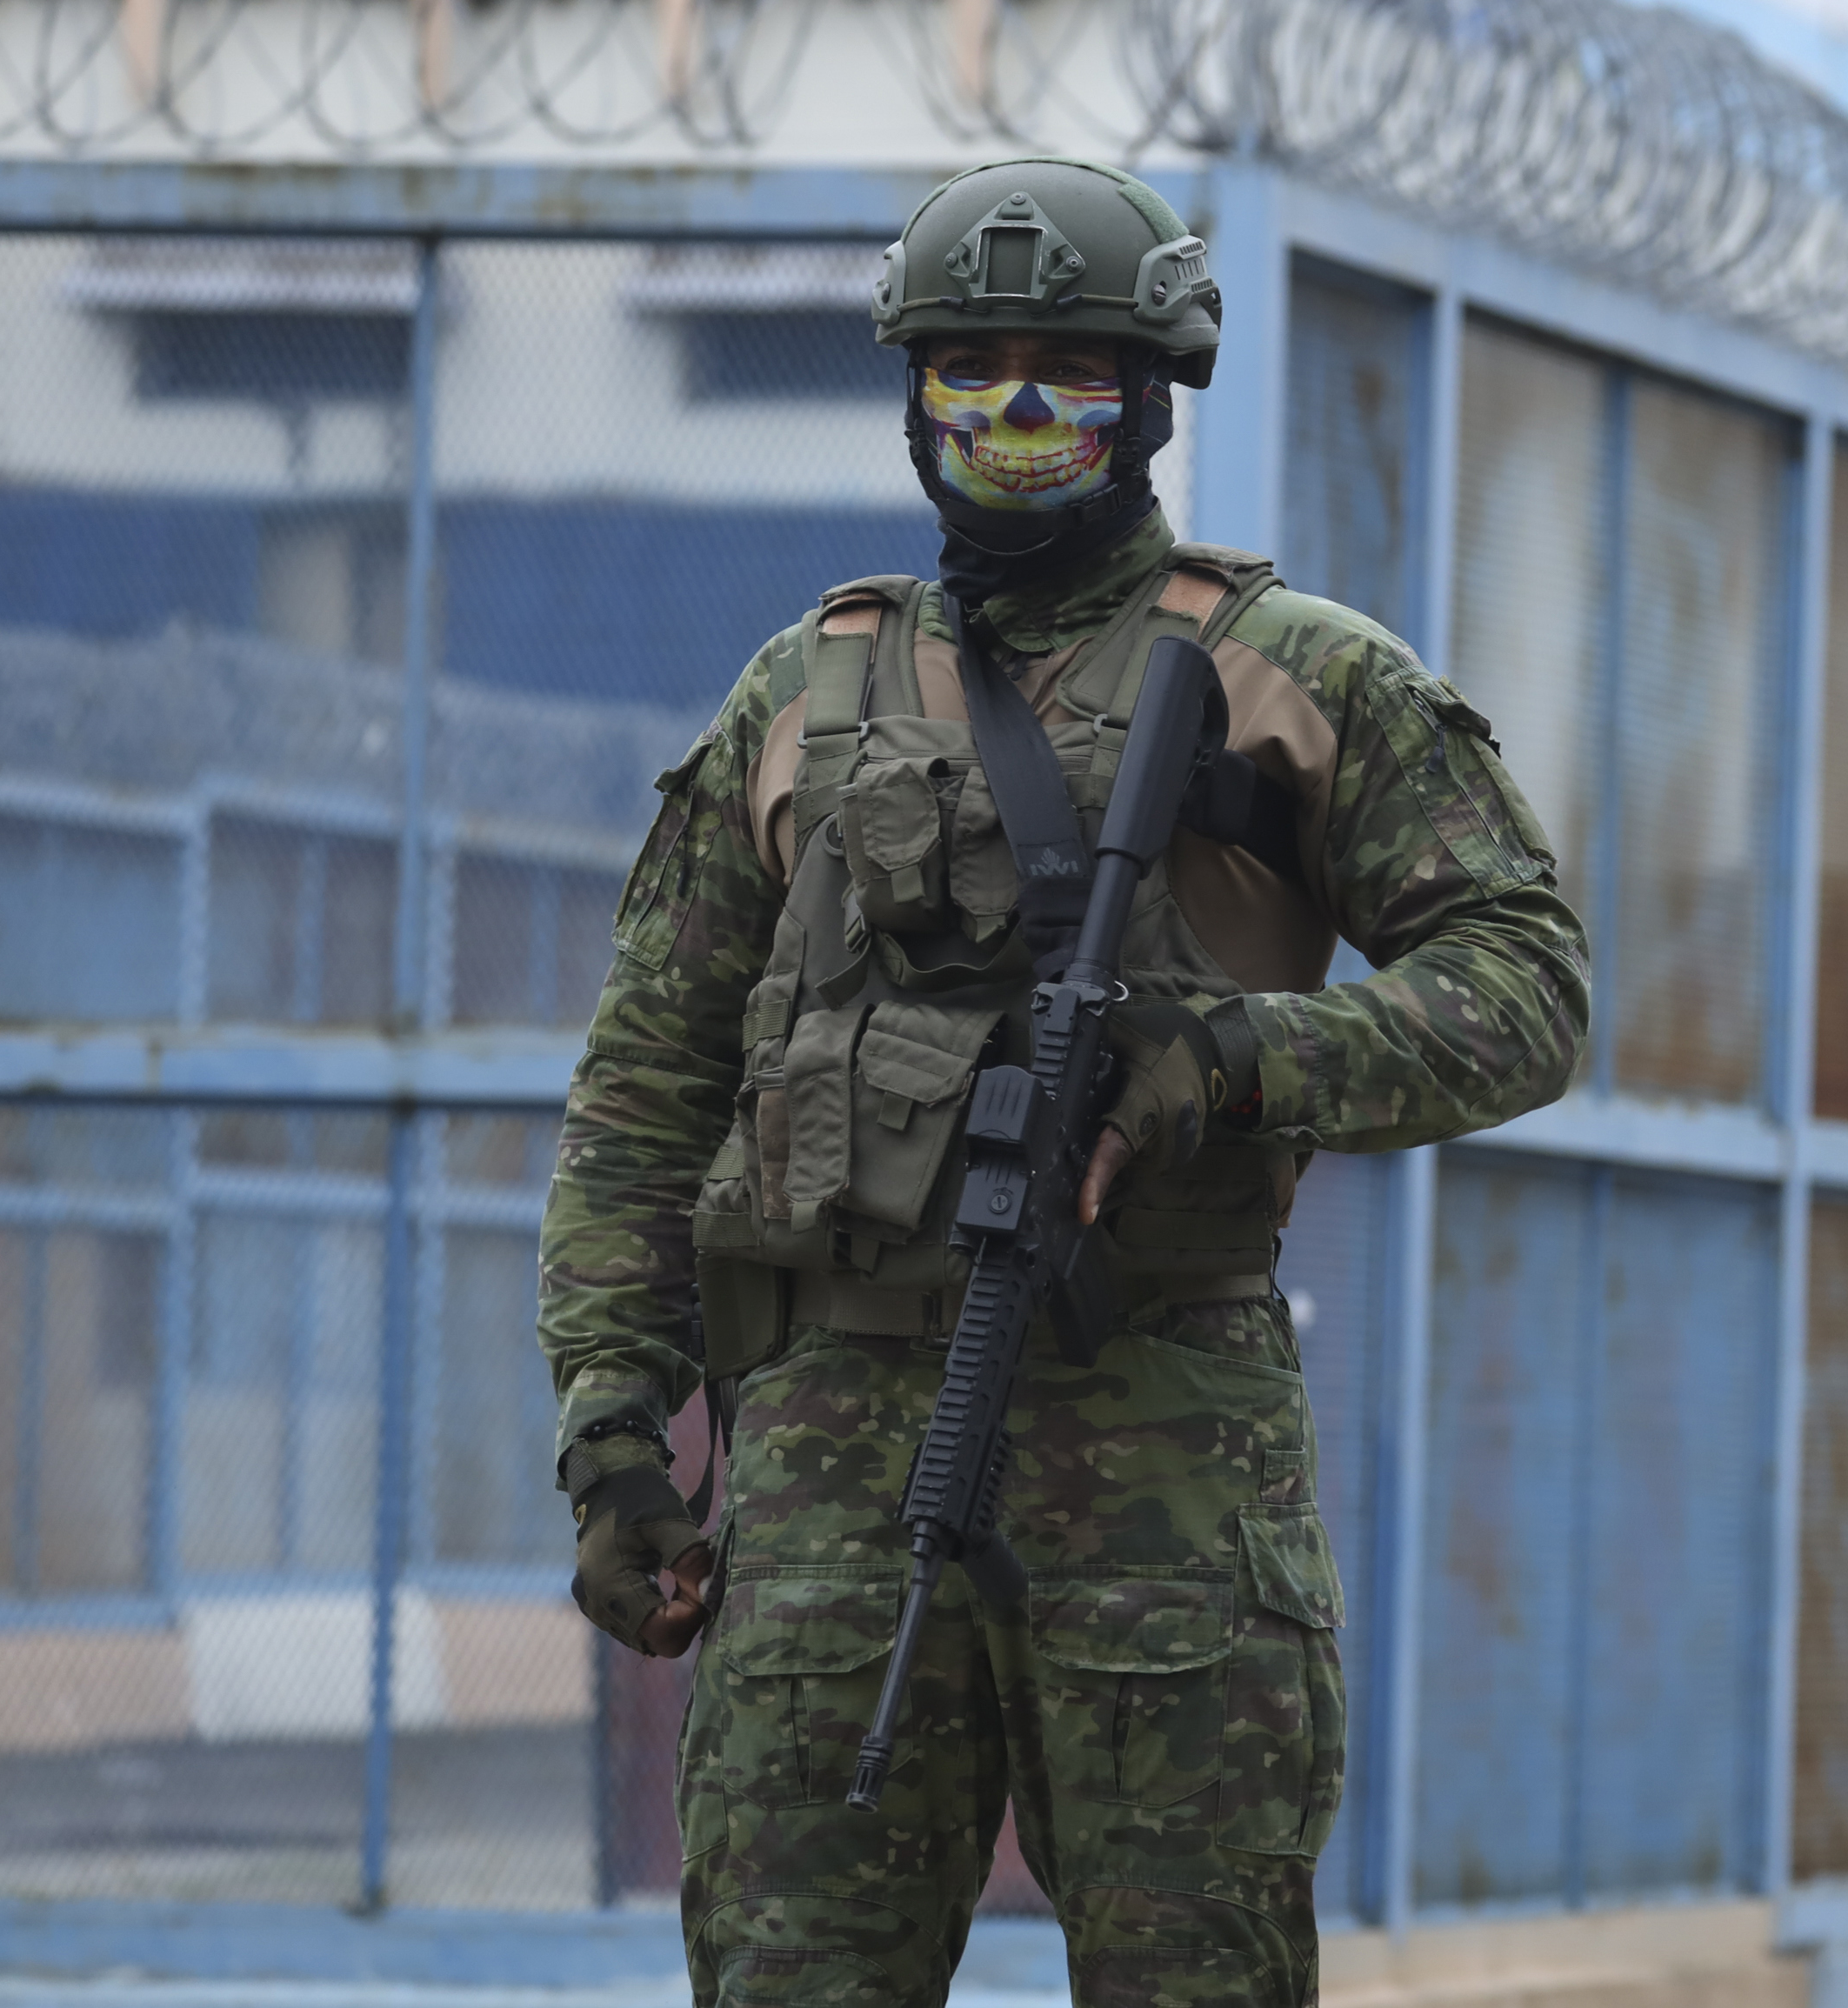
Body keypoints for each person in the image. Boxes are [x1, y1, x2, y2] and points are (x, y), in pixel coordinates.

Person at [537, 156, 1589, 2008]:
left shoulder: (1289, 680)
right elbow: (645, 1088)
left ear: (1152, 398)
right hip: (832, 1467)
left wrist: (1234, 1060)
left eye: (1066, 381)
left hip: (1162, 1455)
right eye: (972, 376)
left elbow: (1524, 987)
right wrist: (620, 1441)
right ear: (911, 392)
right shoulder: (800, 692)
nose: (1014, 420)